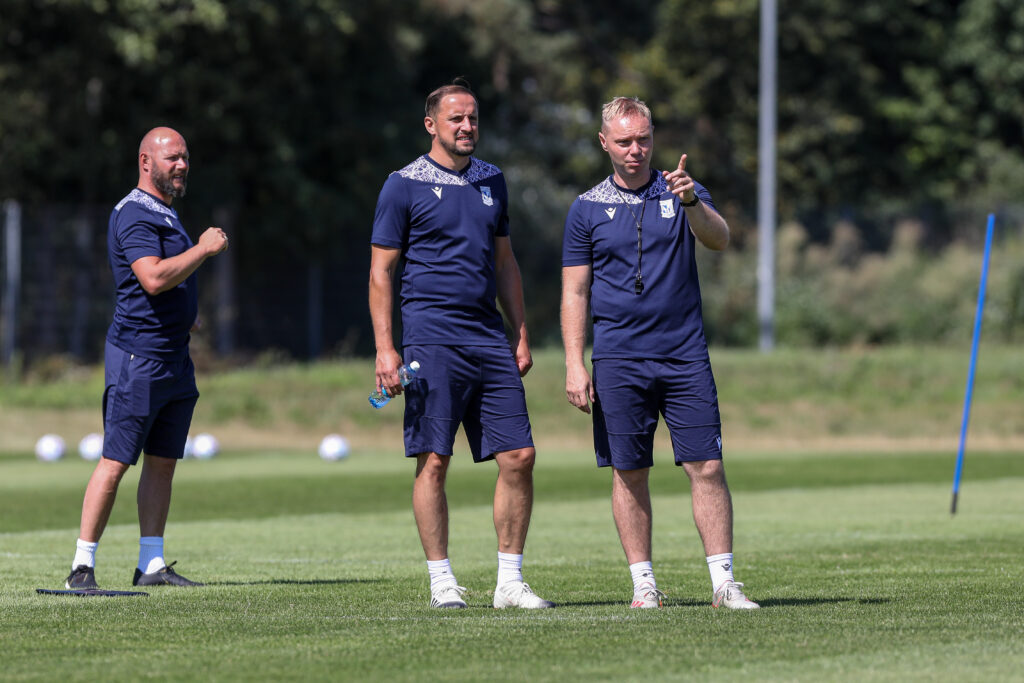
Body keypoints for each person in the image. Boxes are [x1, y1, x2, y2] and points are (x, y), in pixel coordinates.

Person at [560, 97, 759, 610]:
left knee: (707, 467)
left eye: (644, 139)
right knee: (629, 472)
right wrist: (574, 363)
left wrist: (691, 201)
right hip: (618, 359)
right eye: (624, 141)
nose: (636, 149)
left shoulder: (681, 189)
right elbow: (575, 292)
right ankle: (643, 585)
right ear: (604, 143)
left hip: (684, 354)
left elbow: (719, 240)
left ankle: (724, 584)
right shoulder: (586, 208)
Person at [368, 81, 553, 610]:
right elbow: (381, 273)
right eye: (456, 119)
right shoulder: (402, 185)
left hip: (488, 336)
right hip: (430, 339)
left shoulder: (492, 179)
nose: (467, 126)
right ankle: (441, 581)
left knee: (519, 455)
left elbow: (505, 263)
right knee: (434, 460)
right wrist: (386, 349)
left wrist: (520, 331)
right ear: (431, 125)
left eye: (472, 118)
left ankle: (509, 583)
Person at [63, 127, 229, 590]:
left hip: (174, 356)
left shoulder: (165, 212)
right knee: (116, 460)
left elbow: (163, 284)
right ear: (145, 162)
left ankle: (151, 564)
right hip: (139, 357)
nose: (182, 165)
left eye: (185, 157)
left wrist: (187, 315)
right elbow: (153, 278)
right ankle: (81, 568)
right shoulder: (135, 212)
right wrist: (203, 248)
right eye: (172, 157)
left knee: (163, 460)